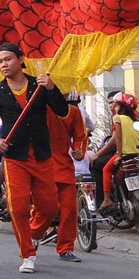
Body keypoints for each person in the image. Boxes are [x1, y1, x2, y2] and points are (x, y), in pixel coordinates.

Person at [0, 42, 68, 274]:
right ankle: (27, 253)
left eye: (8, 59)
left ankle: (34, 234)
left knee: (49, 207)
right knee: (16, 206)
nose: (3, 65)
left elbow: (62, 111)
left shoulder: (38, 86)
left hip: (41, 155)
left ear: (20, 59)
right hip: (14, 156)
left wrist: (52, 88)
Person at [43, 89, 87, 261]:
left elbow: (81, 136)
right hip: (42, 165)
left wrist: (78, 149)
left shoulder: (74, 112)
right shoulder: (41, 109)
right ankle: (34, 234)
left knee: (70, 209)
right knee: (44, 208)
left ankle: (66, 247)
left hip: (64, 167)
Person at [94, 93, 139, 212]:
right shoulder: (135, 119)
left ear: (122, 106)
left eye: (115, 104)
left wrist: (119, 156)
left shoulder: (117, 118)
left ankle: (106, 200)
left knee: (106, 169)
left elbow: (118, 139)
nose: (113, 107)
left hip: (125, 154)